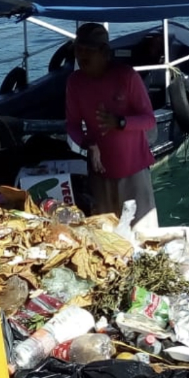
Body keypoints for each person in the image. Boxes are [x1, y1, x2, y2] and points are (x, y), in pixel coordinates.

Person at [65, 22, 158, 228]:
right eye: (78, 51)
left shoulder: (126, 76)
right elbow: (72, 124)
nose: (82, 57)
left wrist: (120, 122)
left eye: (88, 51)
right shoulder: (75, 82)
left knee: (143, 235)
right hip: (100, 174)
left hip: (134, 171)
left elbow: (149, 119)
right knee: (106, 237)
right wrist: (87, 143)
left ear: (105, 53)